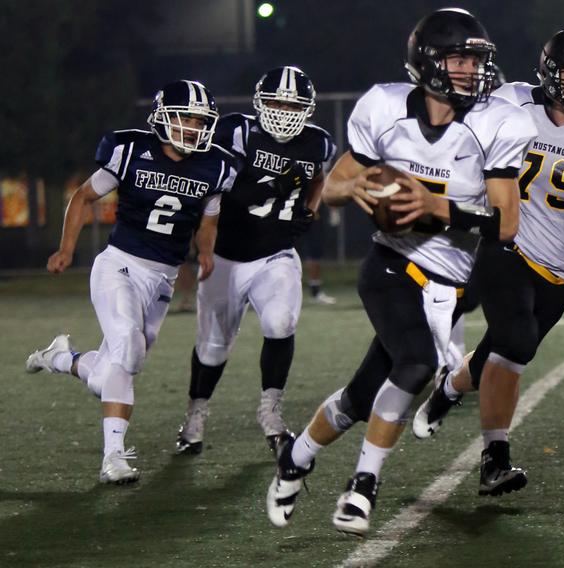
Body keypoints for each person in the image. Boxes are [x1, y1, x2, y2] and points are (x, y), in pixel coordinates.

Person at [264, 8, 536, 536]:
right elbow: (331, 190)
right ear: (429, 61)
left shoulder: (495, 121)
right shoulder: (383, 107)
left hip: (449, 284)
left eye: (477, 59)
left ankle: (295, 459)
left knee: (359, 398)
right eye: (460, 58)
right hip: (391, 264)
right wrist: (357, 188)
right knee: (414, 364)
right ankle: (363, 487)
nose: (471, 70)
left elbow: (506, 224)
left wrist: (440, 210)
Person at [409, 26, 564, 495]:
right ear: (549, 70)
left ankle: (450, 389)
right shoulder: (512, 102)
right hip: (505, 244)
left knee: (502, 355)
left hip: (560, 267)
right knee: (514, 344)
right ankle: (495, 459)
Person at [25, 80, 237, 483]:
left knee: (110, 375)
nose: (192, 128)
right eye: (184, 118)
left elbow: (209, 219)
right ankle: (113, 459)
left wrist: (205, 252)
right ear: (162, 118)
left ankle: (61, 358)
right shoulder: (130, 151)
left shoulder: (217, 167)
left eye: (199, 120)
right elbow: (83, 197)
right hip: (119, 265)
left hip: (162, 279)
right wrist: (67, 248)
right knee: (128, 344)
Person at [174, 67, 335, 455]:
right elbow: (219, 188)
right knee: (213, 348)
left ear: (307, 109)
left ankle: (271, 412)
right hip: (226, 255)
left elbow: (317, 179)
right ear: (260, 103)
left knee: (281, 323)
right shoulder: (236, 131)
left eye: (292, 104)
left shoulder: (318, 142)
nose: (283, 111)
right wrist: (271, 185)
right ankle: (195, 414)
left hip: (275, 254)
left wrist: (310, 211)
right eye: (277, 102)